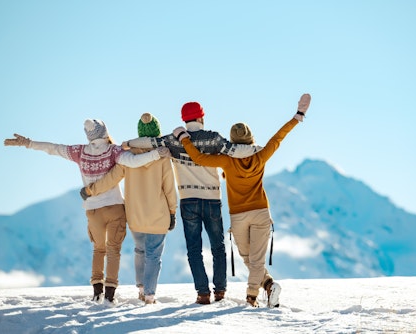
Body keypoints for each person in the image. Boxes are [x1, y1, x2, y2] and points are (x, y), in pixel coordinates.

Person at [4, 119, 171, 303]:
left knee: (99, 250)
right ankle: (110, 295)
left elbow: (54, 148)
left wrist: (28, 143)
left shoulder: (80, 152)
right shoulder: (114, 151)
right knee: (114, 250)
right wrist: (156, 154)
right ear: (105, 131)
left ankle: (97, 291)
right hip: (115, 207)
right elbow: (134, 161)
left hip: (93, 210)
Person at [173, 93, 311, 307]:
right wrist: (298, 116)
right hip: (261, 213)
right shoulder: (261, 155)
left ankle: (252, 297)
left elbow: (199, 158)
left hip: (238, 217)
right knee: (253, 260)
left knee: (250, 259)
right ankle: (269, 285)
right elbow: (278, 137)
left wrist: (184, 139)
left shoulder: (227, 161)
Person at [122, 102, 259, 304]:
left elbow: (148, 142)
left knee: (194, 250)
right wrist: (259, 149)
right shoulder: (213, 138)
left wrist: (127, 143)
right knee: (218, 247)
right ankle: (220, 291)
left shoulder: (172, 140)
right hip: (212, 200)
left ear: (184, 120)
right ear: (201, 117)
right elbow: (236, 150)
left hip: (188, 201)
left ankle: (202, 293)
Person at [80, 113, 177, 305]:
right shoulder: (163, 157)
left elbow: (111, 179)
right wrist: (172, 212)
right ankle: (149, 295)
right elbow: (169, 188)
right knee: (153, 255)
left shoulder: (128, 156)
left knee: (140, 251)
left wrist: (91, 190)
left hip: (134, 216)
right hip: (158, 215)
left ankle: (141, 290)